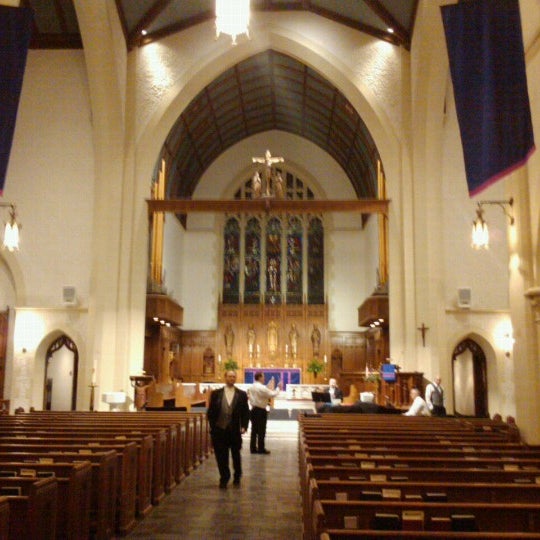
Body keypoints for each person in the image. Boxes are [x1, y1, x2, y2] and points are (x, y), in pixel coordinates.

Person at [207, 370, 250, 488]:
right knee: (221, 455)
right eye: (229, 376)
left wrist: (244, 426)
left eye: (233, 377)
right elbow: (211, 411)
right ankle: (224, 477)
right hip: (219, 429)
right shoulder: (216, 394)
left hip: (234, 429)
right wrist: (213, 426)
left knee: (236, 454)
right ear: (225, 377)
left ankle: (237, 475)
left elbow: (245, 412)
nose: (231, 378)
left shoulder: (241, 394)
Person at [248, 372, 281, 454]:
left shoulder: (251, 387)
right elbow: (272, 394)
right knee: (261, 430)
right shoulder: (261, 387)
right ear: (259, 377)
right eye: (263, 377)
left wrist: (267, 386)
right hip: (260, 411)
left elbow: (263, 392)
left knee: (254, 430)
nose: (264, 378)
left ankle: (253, 448)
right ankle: (261, 448)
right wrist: (278, 388)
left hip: (253, 410)